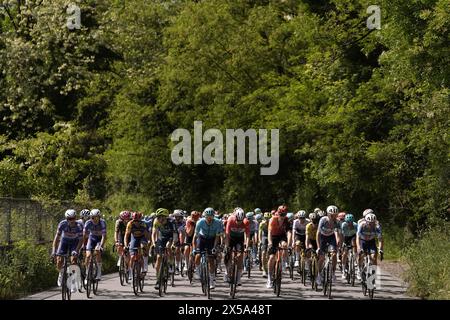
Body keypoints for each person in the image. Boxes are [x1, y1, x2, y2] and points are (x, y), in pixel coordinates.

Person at [52, 209, 84, 291]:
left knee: (73, 261)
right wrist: (53, 251)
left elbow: (81, 240)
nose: (72, 221)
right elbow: (56, 238)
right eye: (70, 219)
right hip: (64, 242)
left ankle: (72, 282)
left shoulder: (79, 226)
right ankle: (61, 272)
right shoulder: (62, 224)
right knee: (59, 260)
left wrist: (76, 250)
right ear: (66, 219)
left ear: (75, 218)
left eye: (73, 218)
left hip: (74, 242)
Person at [192, 207, 223, 289]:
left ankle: (212, 280)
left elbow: (217, 237)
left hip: (212, 239)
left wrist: (214, 247)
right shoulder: (200, 222)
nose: (209, 219)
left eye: (211, 217)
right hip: (202, 239)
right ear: (204, 216)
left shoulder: (218, 222)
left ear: (213, 217)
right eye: (207, 217)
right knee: (197, 255)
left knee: (211, 260)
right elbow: (195, 236)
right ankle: (198, 272)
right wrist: (194, 248)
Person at [152, 208, 177, 290]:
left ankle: (171, 264)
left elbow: (175, 234)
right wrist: (154, 243)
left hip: (170, 237)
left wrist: (173, 243)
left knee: (168, 247)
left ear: (166, 217)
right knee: (159, 257)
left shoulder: (172, 223)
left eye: (161, 217)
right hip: (161, 238)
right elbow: (154, 233)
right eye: (158, 217)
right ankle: (158, 280)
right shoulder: (156, 222)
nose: (159, 219)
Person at [266, 205, 291, 288]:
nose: (282, 217)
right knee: (272, 257)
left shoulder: (287, 220)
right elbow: (269, 232)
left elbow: (289, 233)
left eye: (284, 215)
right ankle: (269, 278)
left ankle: (283, 262)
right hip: (273, 237)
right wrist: (270, 243)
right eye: (281, 215)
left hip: (281, 236)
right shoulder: (273, 219)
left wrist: (289, 244)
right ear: (278, 214)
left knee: (284, 245)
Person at [224, 207, 250, 286]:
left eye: (241, 221)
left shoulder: (246, 222)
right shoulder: (230, 220)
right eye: (238, 220)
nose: (239, 222)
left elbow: (248, 236)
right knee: (228, 254)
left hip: (240, 239)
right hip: (231, 238)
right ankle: (227, 271)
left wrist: (246, 247)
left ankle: (238, 278)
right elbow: (227, 234)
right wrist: (227, 246)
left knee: (240, 257)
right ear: (235, 217)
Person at [316, 205, 340, 286]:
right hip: (322, 237)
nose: (334, 216)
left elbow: (337, 233)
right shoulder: (323, 220)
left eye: (335, 215)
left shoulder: (337, 221)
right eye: (332, 215)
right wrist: (318, 247)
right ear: (328, 214)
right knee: (322, 257)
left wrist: (338, 244)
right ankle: (319, 275)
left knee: (334, 255)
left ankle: (333, 273)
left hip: (331, 237)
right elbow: (318, 234)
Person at [356, 212, 383, 281]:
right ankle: (359, 270)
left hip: (371, 242)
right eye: (369, 223)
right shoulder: (362, 225)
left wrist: (380, 249)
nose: (371, 224)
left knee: (374, 257)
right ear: (366, 221)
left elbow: (380, 239)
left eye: (373, 222)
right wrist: (359, 247)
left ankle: (373, 276)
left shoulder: (377, 226)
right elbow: (357, 237)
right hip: (362, 241)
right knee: (361, 255)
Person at [124, 211, 150, 280]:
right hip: (134, 237)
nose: (136, 222)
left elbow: (147, 235)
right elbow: (126, 236)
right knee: (132, 256)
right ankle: (130, 272)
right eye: (134, 220)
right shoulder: (130, 224)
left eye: (137, 221)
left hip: (142, 237)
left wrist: (148, 242)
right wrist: (126, 245)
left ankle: (143, 268)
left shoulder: (143, 224)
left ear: (140, 220)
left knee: (142, 247)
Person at [83, 209, 107, 281]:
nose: (94, 219)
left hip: (99, 239)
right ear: (90, 217)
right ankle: (87, 273)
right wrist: (83, 245)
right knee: (88, 255)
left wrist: (101, 246)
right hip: (92, 238)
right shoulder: (88, 222)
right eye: (92, 217)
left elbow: (104, 236)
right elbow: (84, 235)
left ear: (99, 217)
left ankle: (99, 272)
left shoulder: (102, 222)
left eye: (96, 217)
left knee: (97, 251)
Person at [341, 213, 357, 279]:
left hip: (353, 236)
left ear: (353, 221)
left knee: (354, 244)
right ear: (346, 221)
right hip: (346, 237)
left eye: (351, 222)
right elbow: (341, 235)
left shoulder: (355, 225)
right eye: (348, 222)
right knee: (345, 253)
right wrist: (342, 244)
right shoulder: (343, 225)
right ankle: (344, 269)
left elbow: (358, 235)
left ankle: (354, 257)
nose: (349, 223)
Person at [173, 209, 186, 275]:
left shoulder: (184, 222)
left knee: (178, 250)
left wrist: (181, 243)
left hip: (181, 235)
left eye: (180, 217)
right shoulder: (171, 221)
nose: (178, 218)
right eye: (176, 216)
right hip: (173, 235)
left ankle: (177, 267)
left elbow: (182, 233)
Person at [258, 212, 271, 277]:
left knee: (269, 254)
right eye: (266, 218)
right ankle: (264, 270)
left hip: (270, 236)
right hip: (264, 236)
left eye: (268, 218)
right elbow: (259, 233)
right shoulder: (262, 223)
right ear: (264, 218)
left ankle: (270, 268)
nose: (267, 220)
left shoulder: (272, 223)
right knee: (263, 253)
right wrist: (260, 241)